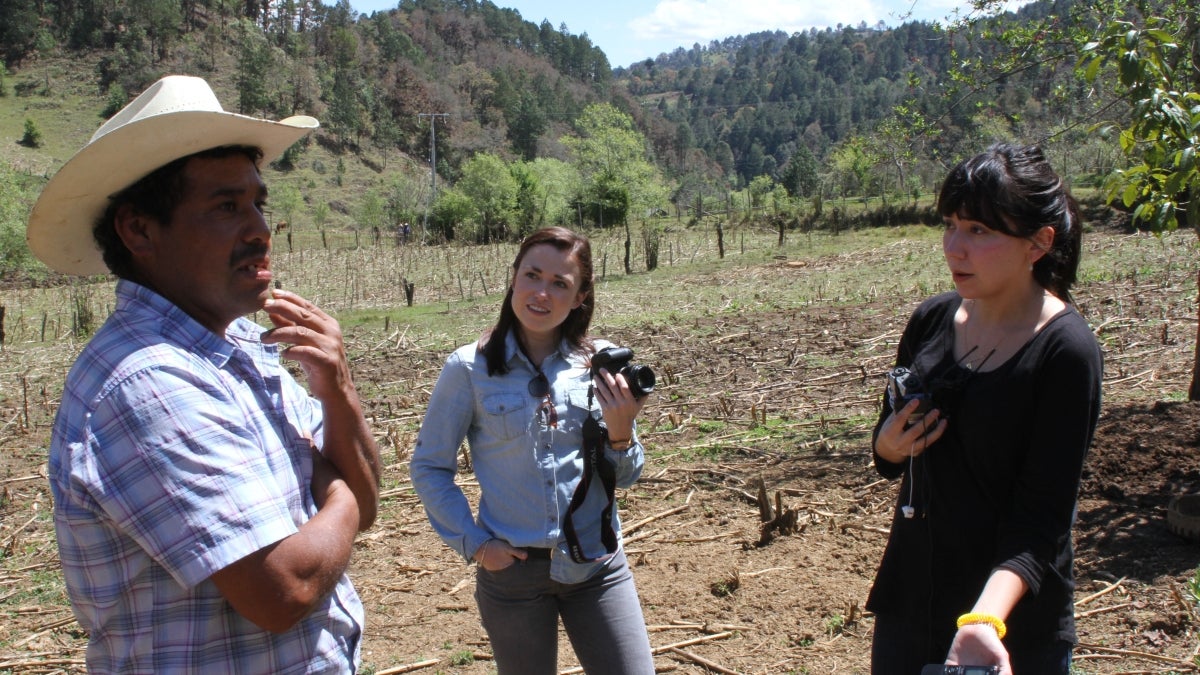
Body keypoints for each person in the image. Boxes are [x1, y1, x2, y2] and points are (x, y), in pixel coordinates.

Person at [27, 75, 382, 673]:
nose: (260, 230)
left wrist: (338, 390)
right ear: (139, 230)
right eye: (226, 207)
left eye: (258, 203)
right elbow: (285, 589)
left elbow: (361, 510)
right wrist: (339, 487)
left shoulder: (239, 343)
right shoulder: (149, 383)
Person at [866, 143, 1102, 675]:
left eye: (979, 231)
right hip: (911, 604)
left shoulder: (1065, 352)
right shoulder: (931, 321)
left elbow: (1042, 520)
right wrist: (887, 445)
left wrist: (984, 619)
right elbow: (886, 454)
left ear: (1038, 243)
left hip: (1007, 625)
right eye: (950, 225)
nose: (954, 248)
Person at [410, 226, 656, 674]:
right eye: (532, 275)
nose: (541, 293)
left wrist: (622, 431)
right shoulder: (469, 367)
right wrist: (477, 544)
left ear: (580, 296)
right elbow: (430, 467)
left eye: (560, 284)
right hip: (513, 577)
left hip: (596, 567)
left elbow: (627, 475)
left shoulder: (598, 364)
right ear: (513, 278)